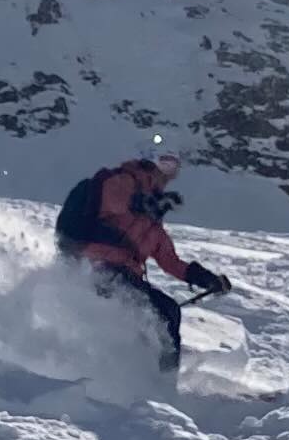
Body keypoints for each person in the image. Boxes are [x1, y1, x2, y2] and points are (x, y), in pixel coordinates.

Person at [53, 150, 233, 368]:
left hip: (123, 276)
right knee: (165, 312)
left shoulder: (152, 226)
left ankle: (137, 374)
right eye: (166, 165)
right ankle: (162, 382)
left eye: (174, 170)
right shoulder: (124, 179)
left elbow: (171, 262)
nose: (168, 175)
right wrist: (145, 202)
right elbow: (112, 201)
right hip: (97, 268)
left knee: (157, 317)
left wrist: (207, 279)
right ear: (151, 162)